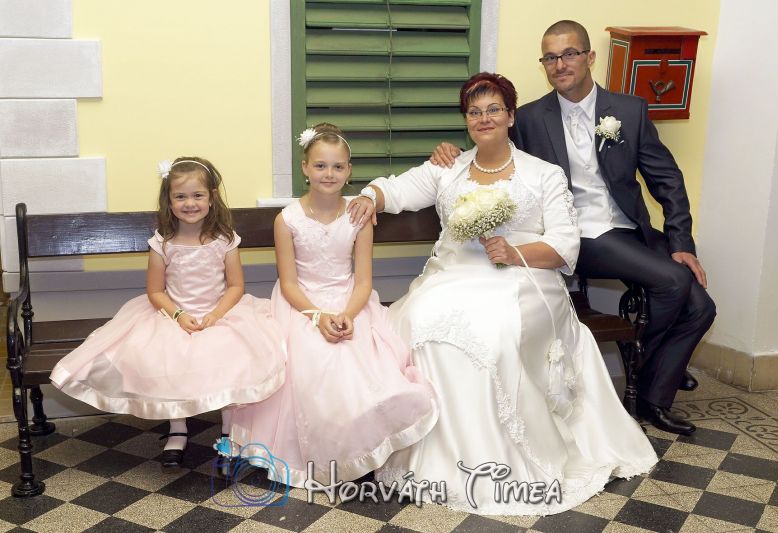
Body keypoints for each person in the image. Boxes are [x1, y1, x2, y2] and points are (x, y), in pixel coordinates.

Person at [347, 73, 657, 516]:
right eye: (474, 112)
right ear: (466, 121)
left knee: (493, 334)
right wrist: (370, 196)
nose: (484, 118)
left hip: (524, 278)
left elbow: (565, 245)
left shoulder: (543, 174)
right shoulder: (448, 167)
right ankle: (431, 453)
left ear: (511, 116)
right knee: (417, 324)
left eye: (494, 109)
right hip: (452, 275)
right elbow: (397, 189)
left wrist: (515, 252)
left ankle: (498, 459)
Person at [430, 21, 716, 436]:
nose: (560, 64)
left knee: (702, 307)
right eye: (550, 57)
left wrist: (681, 242)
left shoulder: (630, 110)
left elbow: (667, 179)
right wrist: (451, 152)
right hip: (578, 235)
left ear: (589, 57)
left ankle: (653, 384)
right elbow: (493, 153)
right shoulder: (530, 118)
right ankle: (651, 384)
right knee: (673, 281)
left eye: (569, 54)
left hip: (629, 229)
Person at [229, 124, 438, 488]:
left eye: (338, 166)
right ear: (305, 168)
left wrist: (348, 314)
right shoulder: (287, 219)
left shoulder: (358, 217)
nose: (329, 173)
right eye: (321, 165)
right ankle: (322, 452)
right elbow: (289, 283)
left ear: (349, 171)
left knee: (362, 364)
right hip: (301, 304)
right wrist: (317, 316)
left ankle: (361, 444)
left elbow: (363, 281)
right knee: (313, 362)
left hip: (350, 301)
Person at [50, 157, 286, 468]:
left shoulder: (225, 240)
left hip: (221, 313)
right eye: (181, 196)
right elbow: (155, 291)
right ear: (169, 200)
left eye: (198, 195)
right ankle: (177, 428)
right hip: (173, 314)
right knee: (166, 358)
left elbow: (235, 286)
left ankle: (229, 430)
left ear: (212, 197)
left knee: (234, 357)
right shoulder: (162, 242)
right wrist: (178, 316)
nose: (190, 203)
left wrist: (216, 315)